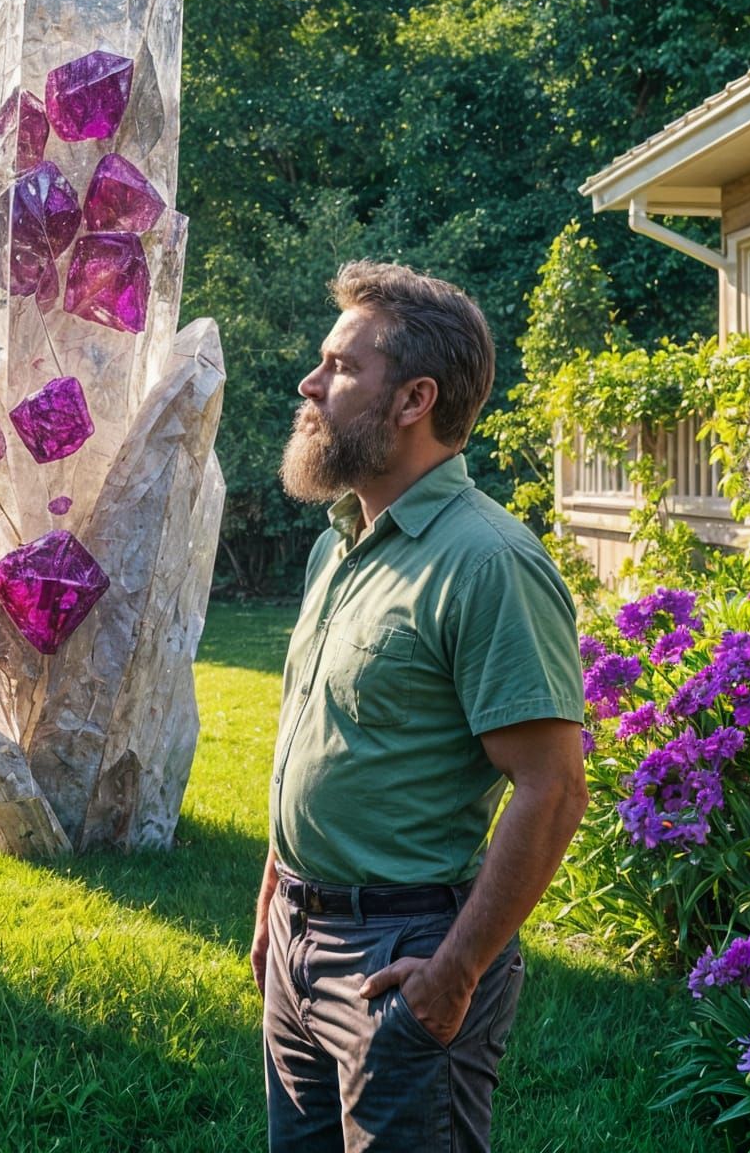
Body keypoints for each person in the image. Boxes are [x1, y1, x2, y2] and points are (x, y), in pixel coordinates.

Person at [255, 260, 588, 1153]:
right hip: (298, 938)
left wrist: (453, 975)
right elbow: (312, 734)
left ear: (414, 401)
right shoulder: (343, 543)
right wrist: (273, 900)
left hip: (402, 955)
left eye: (341, 368)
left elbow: (551, 790)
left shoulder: (489, 563)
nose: (310, 382)